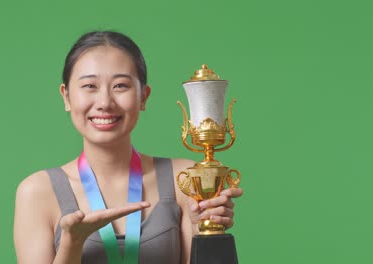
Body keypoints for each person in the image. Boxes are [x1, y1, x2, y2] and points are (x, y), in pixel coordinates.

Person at [13, 31, 243, 264]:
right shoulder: (37, 192)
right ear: (67, 96)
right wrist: (72, 242)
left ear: (143, 96)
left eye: (120, 85)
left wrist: (204, 230)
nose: (104, 103)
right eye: (90, 86)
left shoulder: (185, 180)